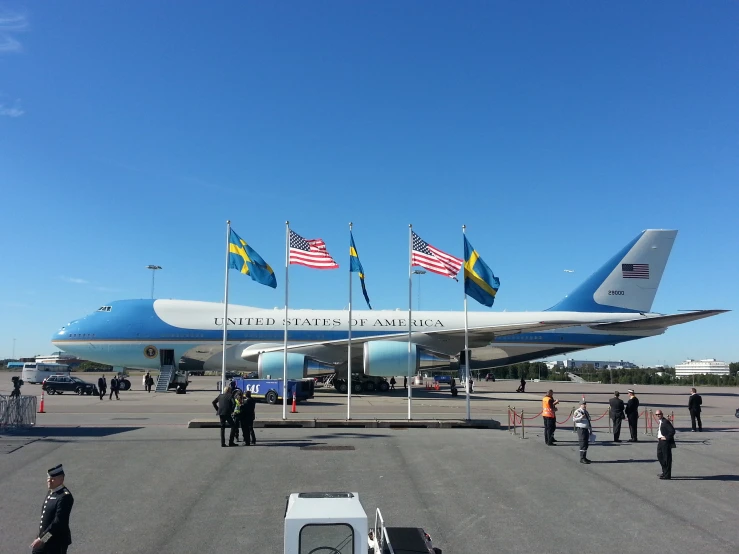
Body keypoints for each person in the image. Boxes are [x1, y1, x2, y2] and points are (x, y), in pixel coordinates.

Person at [30, 464, 74, 554]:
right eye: (48, 478)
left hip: (56, 541)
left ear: (61, 479)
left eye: (53, 478)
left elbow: (58, 522)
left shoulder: (64, 497)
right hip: (44, 537)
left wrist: (42, 539)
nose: (49, 480)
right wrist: (40, 537)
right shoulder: (52, 491)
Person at [655, 409, 676, 479]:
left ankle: (667, 475)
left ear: (662, 414)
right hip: (660, 441)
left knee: (667, 458)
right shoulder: (661, 421)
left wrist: (666, 437)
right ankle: (664, 472)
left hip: (665, 442)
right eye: (657, 415)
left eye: (659, 414)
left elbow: (672, 431)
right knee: (659, 456)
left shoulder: (665, 422)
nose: (658, 416)